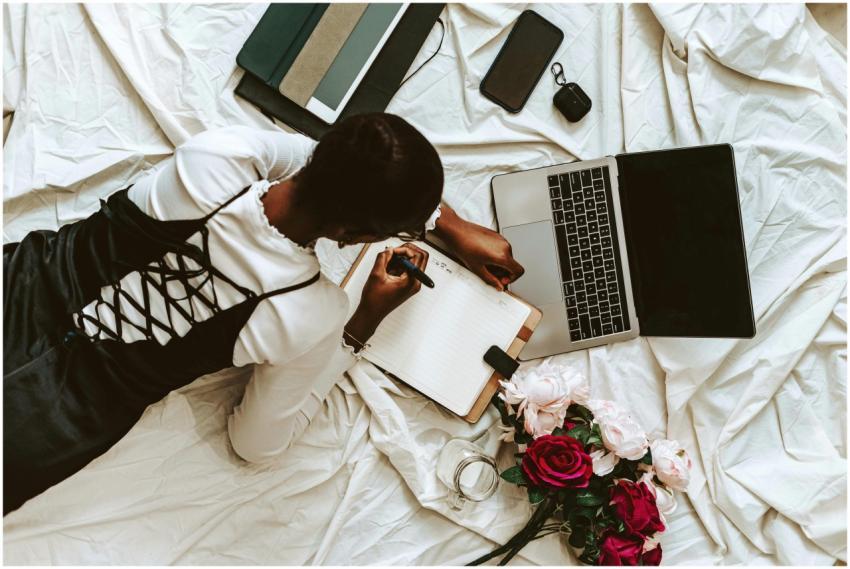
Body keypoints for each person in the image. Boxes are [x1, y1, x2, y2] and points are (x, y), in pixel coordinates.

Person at [3, 113, 524, 514]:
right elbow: (255, 444)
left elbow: (319, 158)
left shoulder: (219, 157)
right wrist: (361, 321)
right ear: (355, 237)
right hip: (45, 426)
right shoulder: (311, 310)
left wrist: (443, 222)